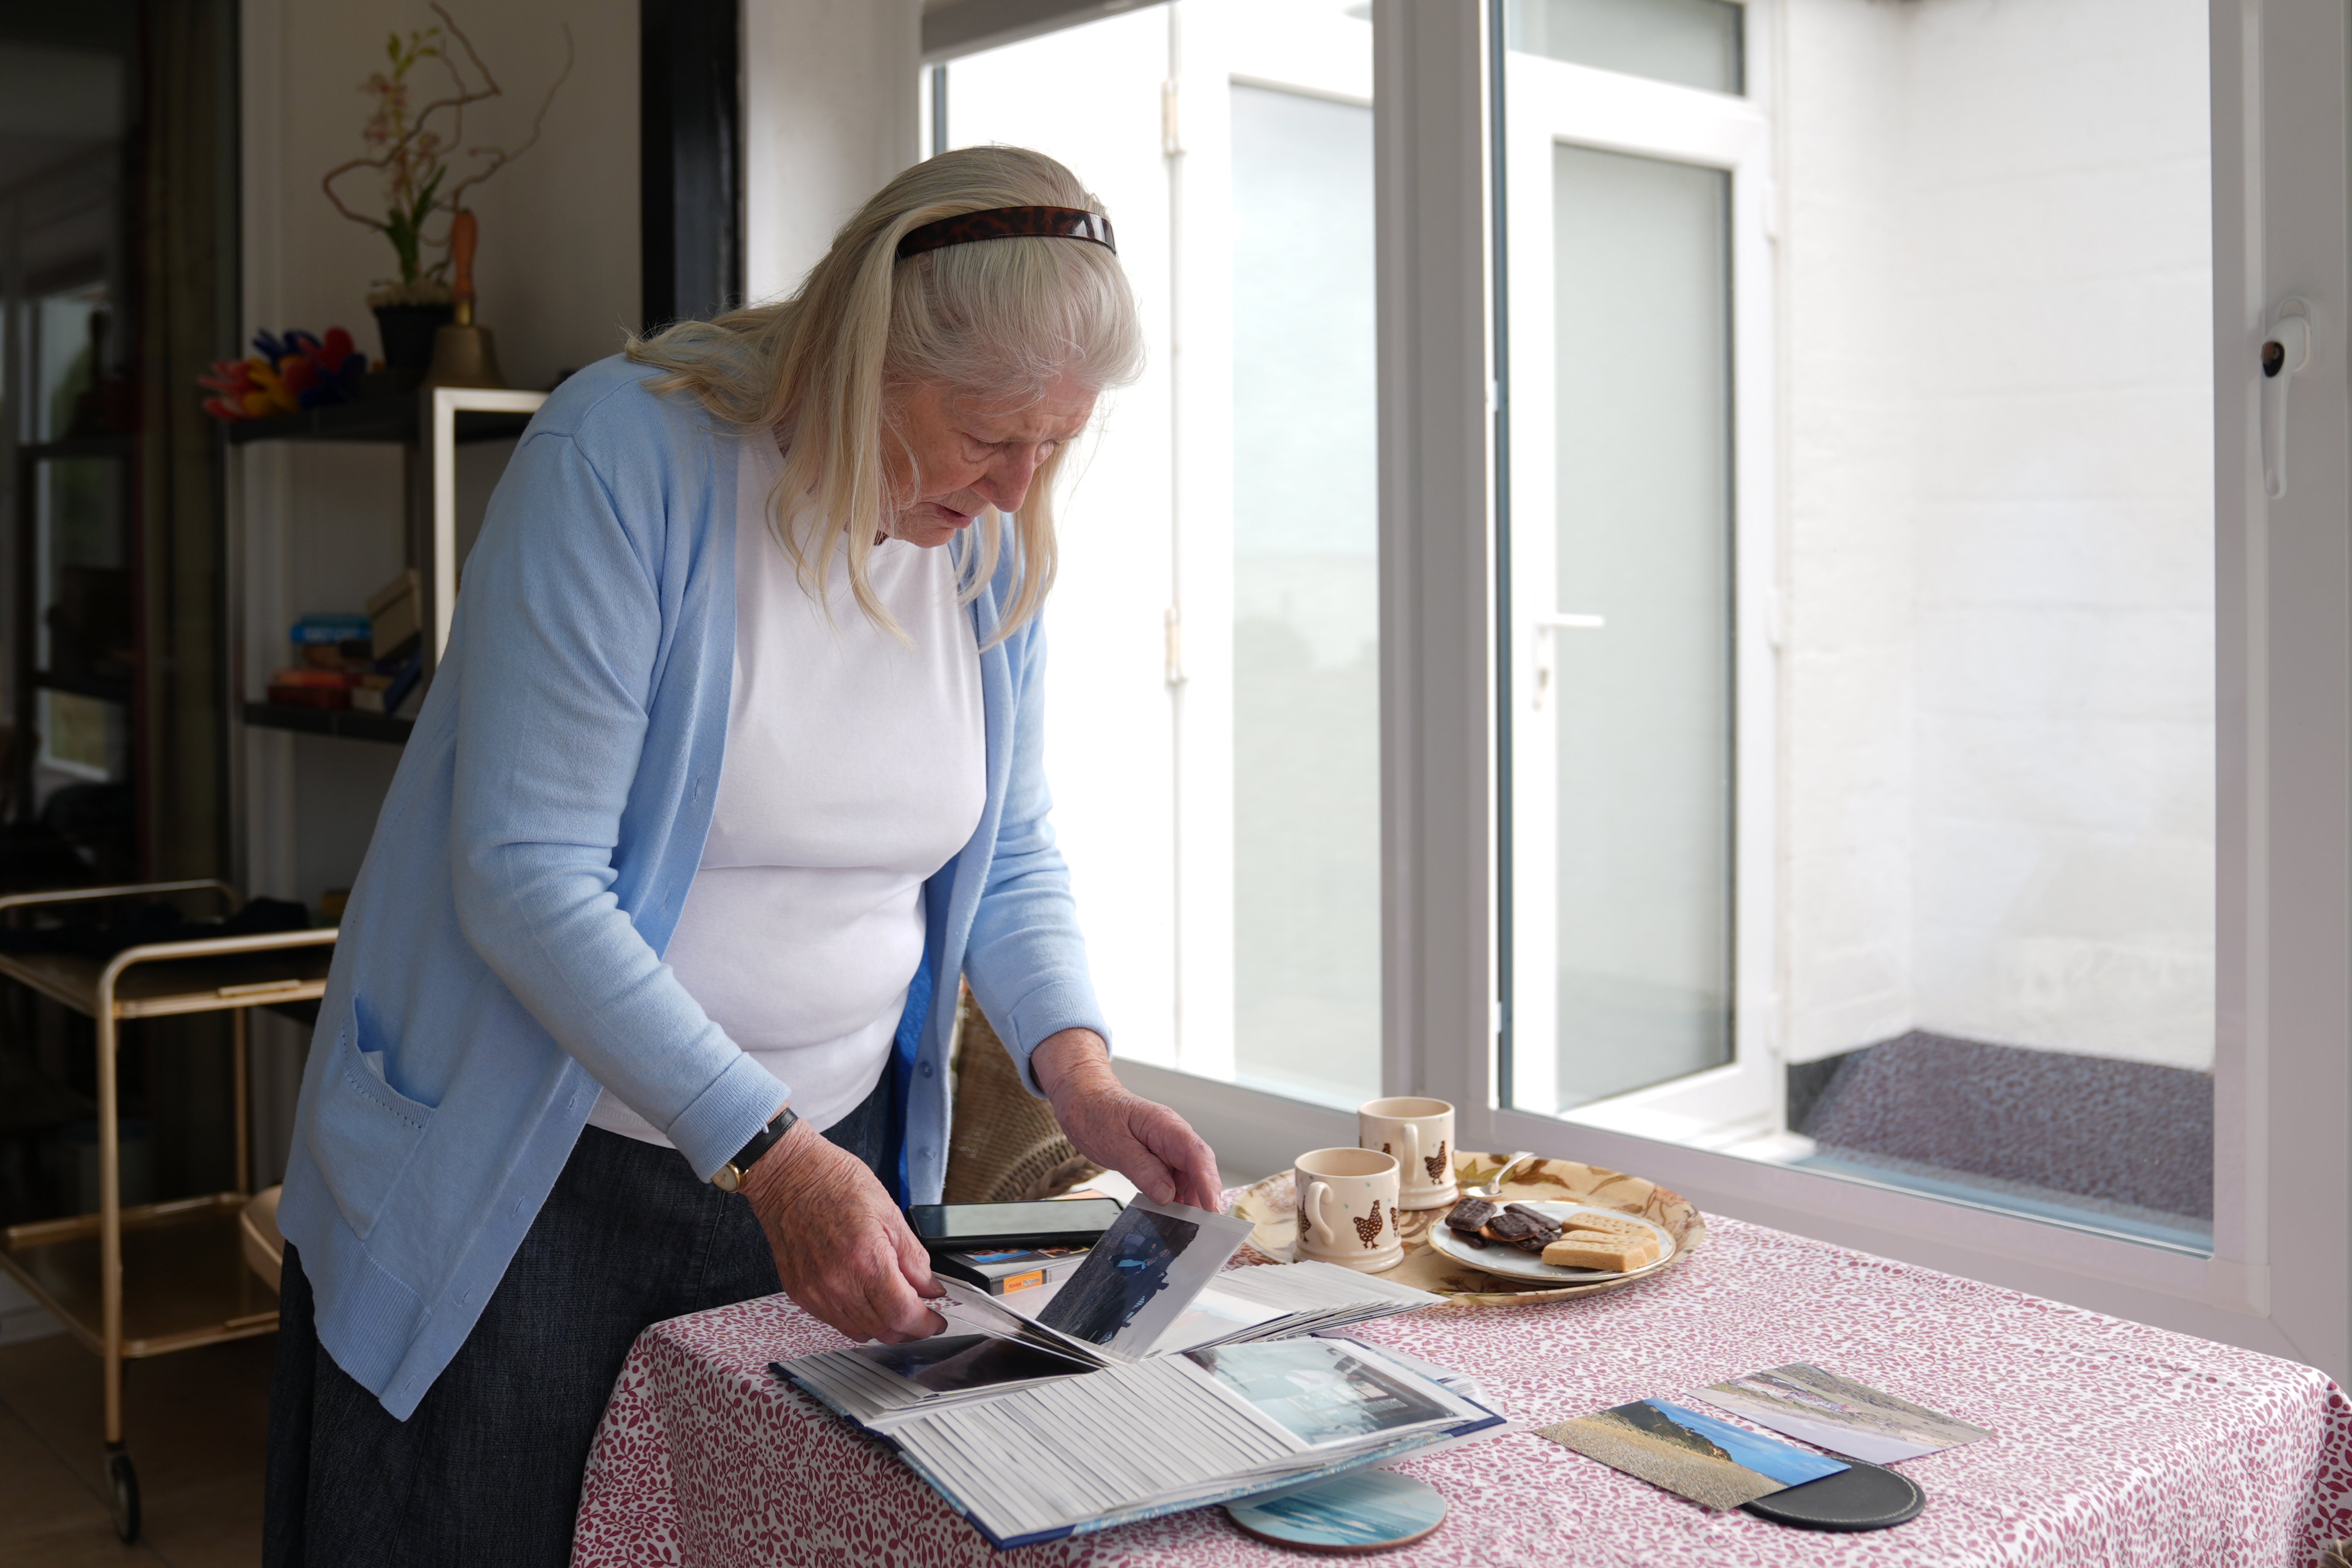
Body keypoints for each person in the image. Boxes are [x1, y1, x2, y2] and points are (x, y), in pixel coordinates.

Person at [262, 145, 1222, 1567]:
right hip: (549, 1171)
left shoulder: (987, 544)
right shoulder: (622, 457)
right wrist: (772, 1156)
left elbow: (1008, 849)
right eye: (990, 436)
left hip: (837, 1168)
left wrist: (1077, 1075)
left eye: (1056, 445)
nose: (1021, 487)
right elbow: (527, 874)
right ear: (866, 360)